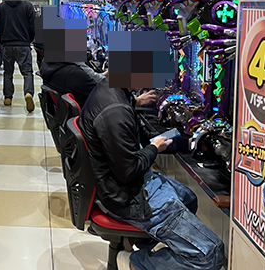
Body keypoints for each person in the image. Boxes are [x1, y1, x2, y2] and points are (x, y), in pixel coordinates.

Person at [77, 78, 224, 270]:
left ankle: (140, 242)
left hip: (130, 184)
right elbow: (128, 170)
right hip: (129, 198)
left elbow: (146, 137)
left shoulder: (116, 91)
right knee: (211, 254)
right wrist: (154, 148)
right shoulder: (115, 110)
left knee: (189, 198)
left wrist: (188, 142)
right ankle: (135, 263)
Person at [0, 0, 36, 111]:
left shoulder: (1, 7)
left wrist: (2, 41)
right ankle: (28, 93)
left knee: (8, 72)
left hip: (7, 45)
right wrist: (29, 40)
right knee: (27, 72)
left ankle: (8, 97)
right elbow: (32, 26)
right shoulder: (28, 6)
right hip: (23, 45)